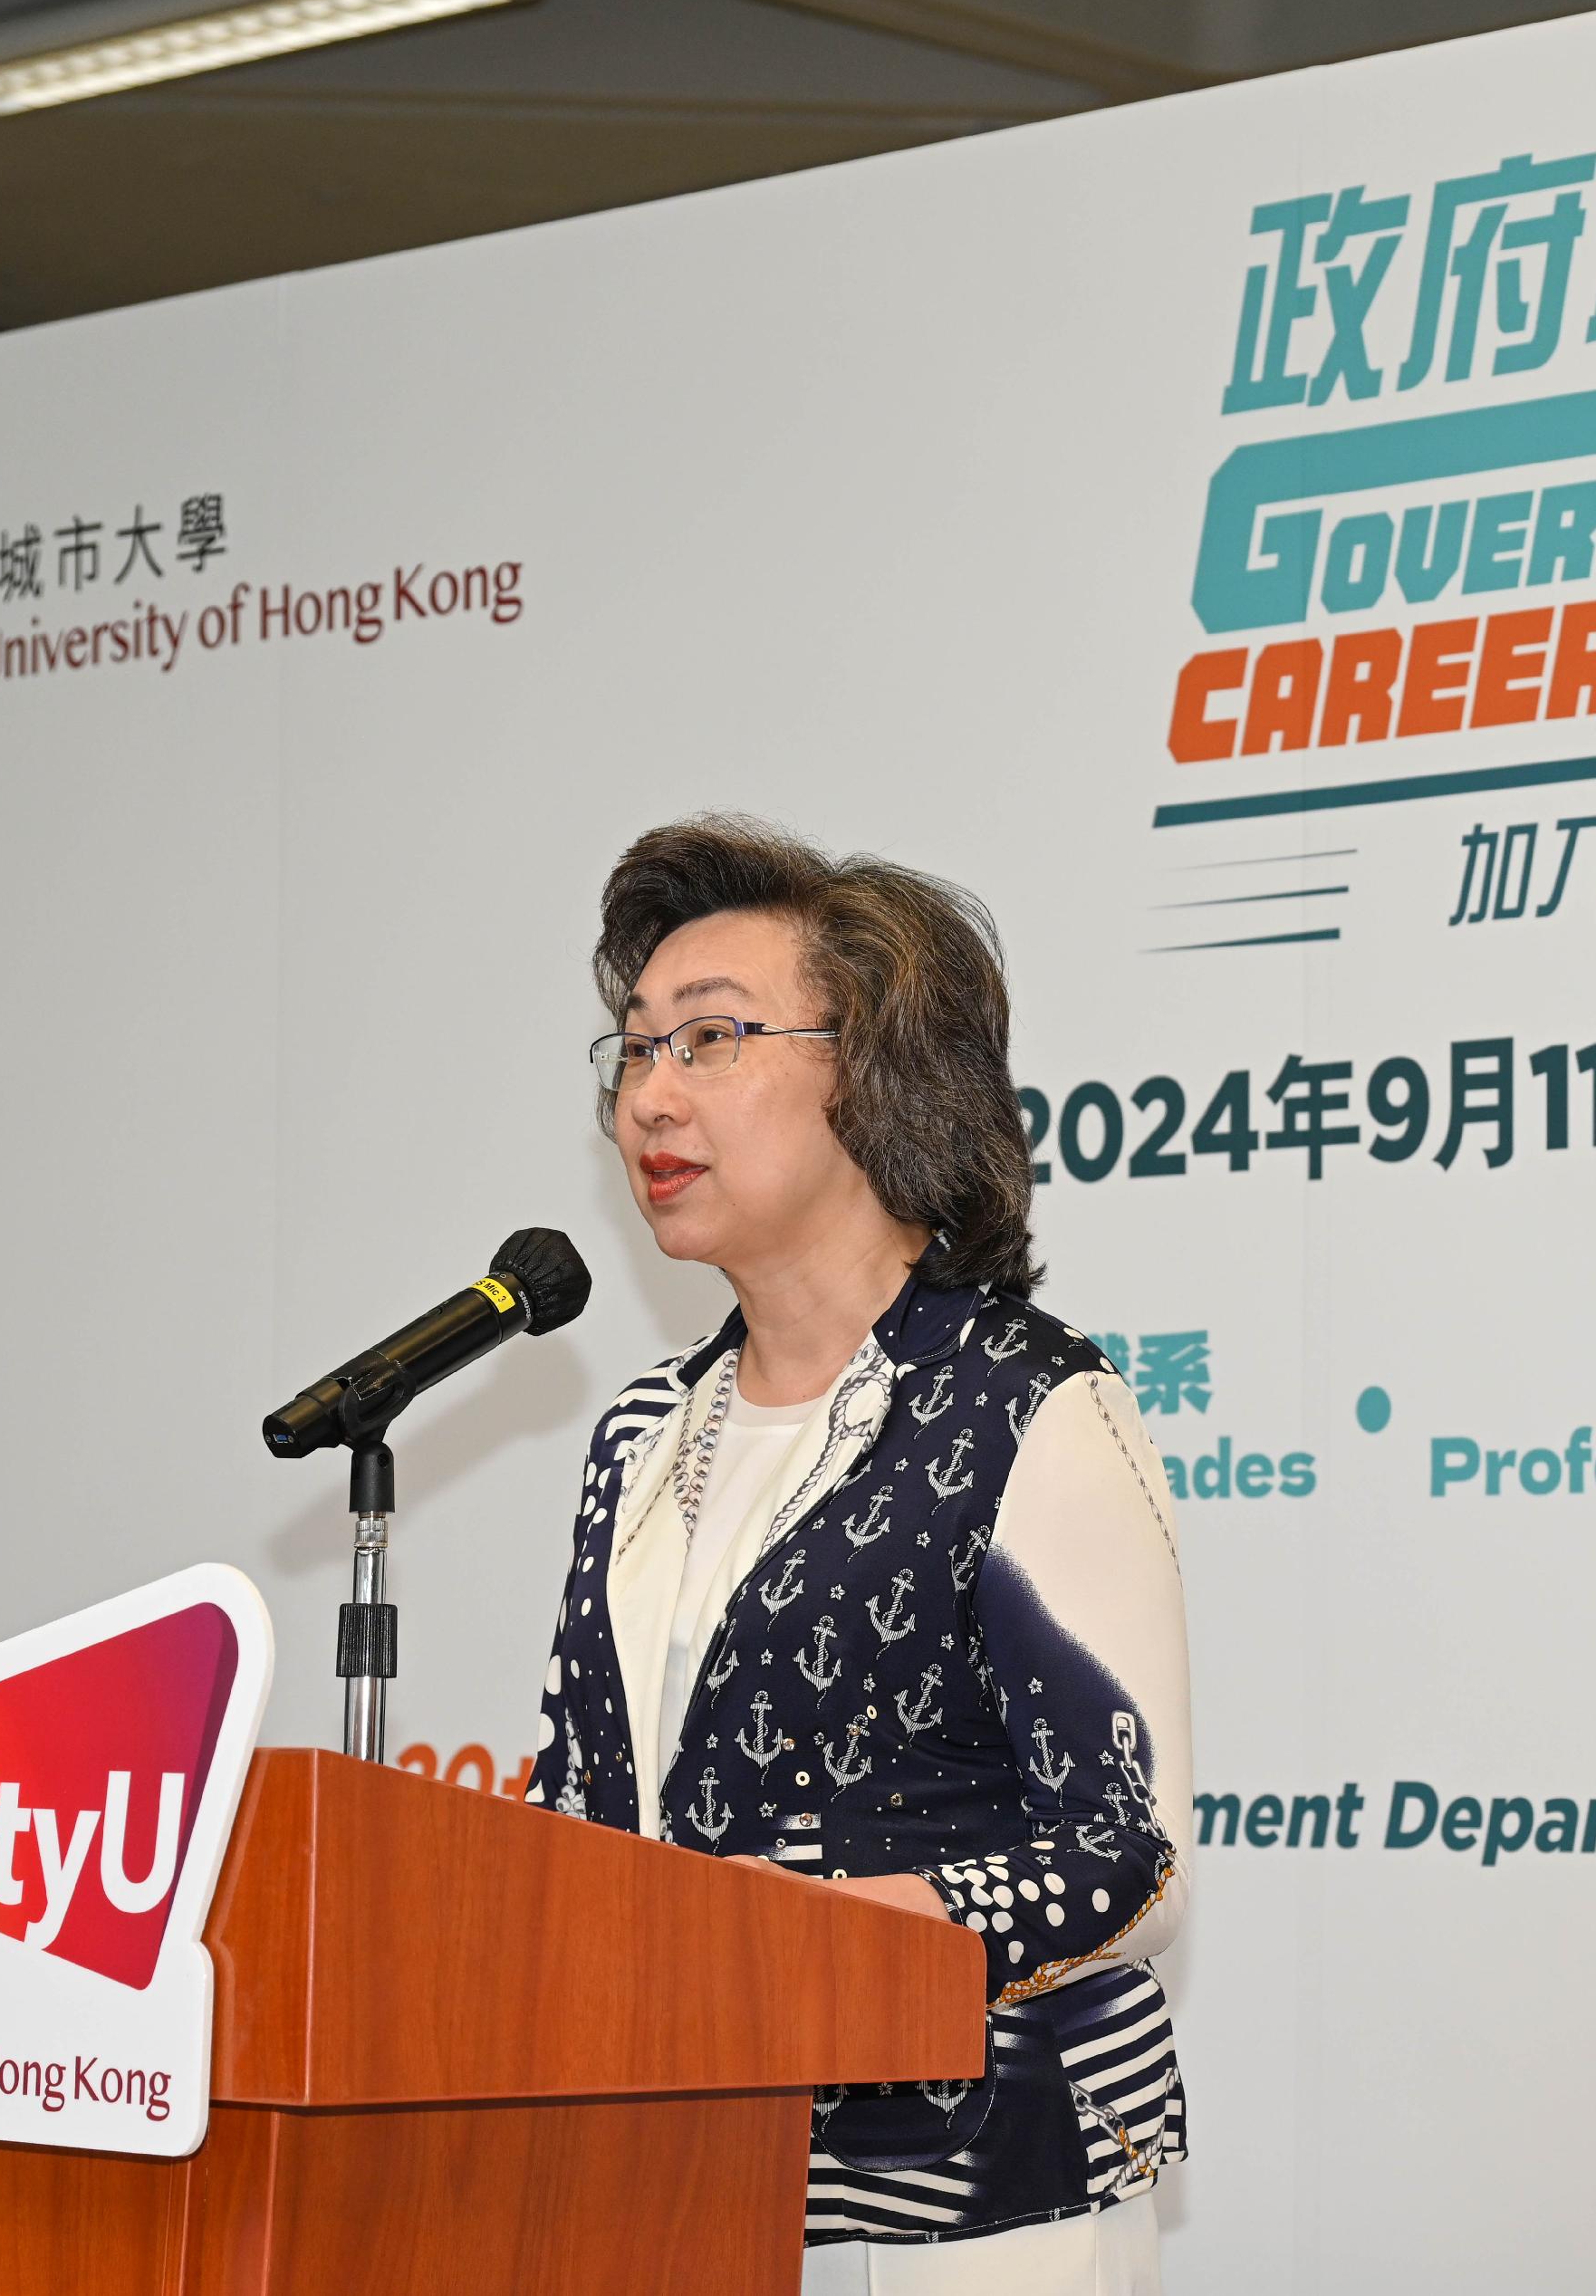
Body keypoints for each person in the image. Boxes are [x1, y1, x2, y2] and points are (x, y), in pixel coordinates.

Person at [525, 815, 1191, 2293]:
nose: (650, 1093)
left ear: (877, 1076)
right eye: (632, 1050)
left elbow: (1125, 1853)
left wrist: (814, 1941)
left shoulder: (1027, 1407)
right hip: (681, 2186)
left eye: (711, 1039)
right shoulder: (642, 1432)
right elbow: (575, 1805)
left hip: (973, 2205)